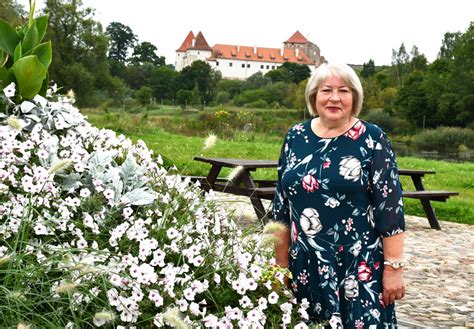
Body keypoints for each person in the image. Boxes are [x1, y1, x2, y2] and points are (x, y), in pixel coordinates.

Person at [272, 63, 405, 328]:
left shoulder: (372, 138)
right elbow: (281, 208)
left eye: (343, 91)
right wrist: (280, 265)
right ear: (314, 96)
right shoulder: (295, 136)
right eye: (327, 90)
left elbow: (390, 210)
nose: (334, 98)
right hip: (305, 267)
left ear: (354, 97)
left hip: (358, 268)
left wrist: (393, 269)